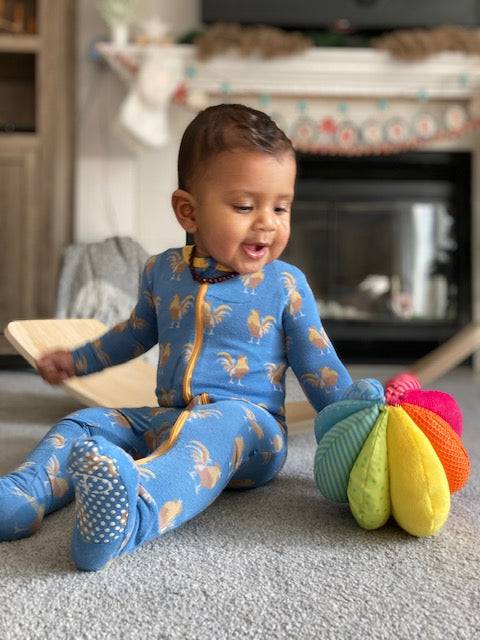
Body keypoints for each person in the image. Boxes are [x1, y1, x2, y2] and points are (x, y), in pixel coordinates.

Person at [0, 103, 353, 571]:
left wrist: (360, 419)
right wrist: (77, 360)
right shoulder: (162, 271)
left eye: (281, 206)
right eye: (244, 206)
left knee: (217, 423)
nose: (267, 222)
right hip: (171, 417)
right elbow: (133, 334)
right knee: (86, 423)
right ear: (189, 211)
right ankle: (23, 495)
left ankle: (132, 514)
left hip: (252, 431)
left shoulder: (285, 284)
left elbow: (318, 366)